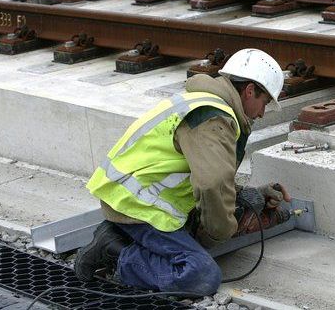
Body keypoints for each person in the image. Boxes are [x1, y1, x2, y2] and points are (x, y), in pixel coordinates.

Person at [74, 48, 291, 296]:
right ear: (250, 90)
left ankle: (113, 235)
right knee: (202, 275)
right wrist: (216, 236)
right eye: (264, 103)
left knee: (207, 221)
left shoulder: (203, 103)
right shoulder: (213, 119)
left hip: (131, 200)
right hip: (140, 208)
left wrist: (250, 195)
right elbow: (211, 184)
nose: (262, 113)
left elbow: (201, 172)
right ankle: (116, 255)